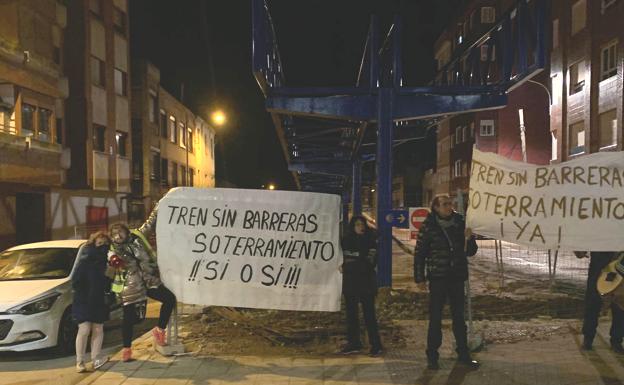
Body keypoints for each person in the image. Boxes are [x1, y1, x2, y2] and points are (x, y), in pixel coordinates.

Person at [414, 194, 479, 370]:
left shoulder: (460, 222)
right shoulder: (429, 226)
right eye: (444, 204)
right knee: (435, 318)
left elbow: (470, 252)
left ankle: (463, 354)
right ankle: (433, 356)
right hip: (438, 278)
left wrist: (470, 238)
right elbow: (419, 254)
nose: (449, 206)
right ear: (435, 207)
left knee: (459, 317)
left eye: (450, 203)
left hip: (456, 277)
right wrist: (419, 278)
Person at [108, 206, 176, 362]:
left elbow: (150, 223)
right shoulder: (113, 249)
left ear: (126, 231)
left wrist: (160, 205)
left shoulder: (138, 235)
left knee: (169, 299)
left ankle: (160, 330)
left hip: (149, 280)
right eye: (114, 234)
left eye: (120, 232)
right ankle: (126, 349)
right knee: (128, 318)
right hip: (132, 284)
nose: (118, 236)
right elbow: (108, 256)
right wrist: (113, 260)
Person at [339, 215, 383, 357]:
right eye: (357, 224)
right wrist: (358, 258)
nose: (361, 227)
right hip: (351, 283)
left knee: (369, 314)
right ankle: (354, 342)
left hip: (366, 283)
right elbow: (345, 259)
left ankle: (375, 344)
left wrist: (352, 262)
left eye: (362, 224)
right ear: (352, 226)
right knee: (351, 314)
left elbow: (370, 262)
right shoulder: (345, 241)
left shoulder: (371, 241)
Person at [72, 231, 112, 373]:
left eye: (105, 244)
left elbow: (108, 284)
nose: (102, 247)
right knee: (84, 329)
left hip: (99, 300)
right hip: (83, 300)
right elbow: (75, 281)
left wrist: (109, 276)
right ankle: (80, 361)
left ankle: (96, 359)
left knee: (98, 329)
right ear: (93, 244)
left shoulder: (107, 263)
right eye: (99, 243)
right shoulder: (86, 259)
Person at [575, 251, 624, 353]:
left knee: (619, 304)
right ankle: (588, 337)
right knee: (593, 302)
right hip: (599, 264)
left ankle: (617, 340)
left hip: (620, 265)